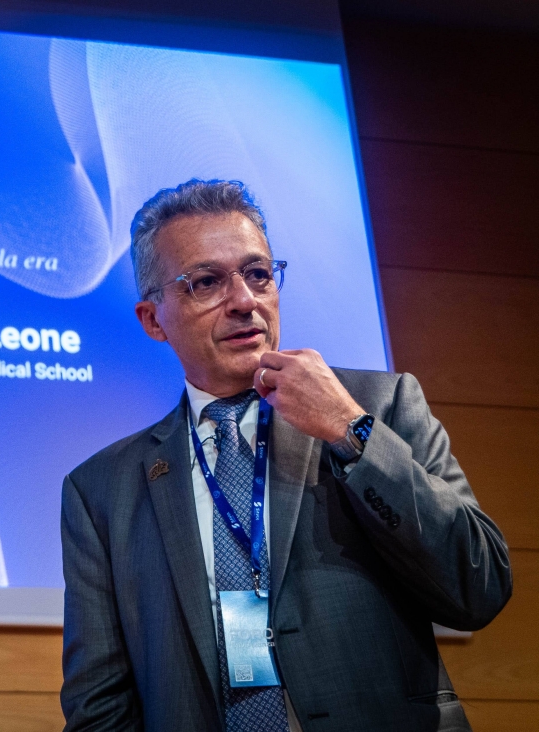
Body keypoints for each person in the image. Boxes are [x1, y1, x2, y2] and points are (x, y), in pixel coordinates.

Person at [59, 179, 512, 731]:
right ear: (153, 320)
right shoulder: (102, 489)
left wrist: (351, 431)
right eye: (205, 282)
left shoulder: (381, 405)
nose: (245, 301)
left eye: (257, 275)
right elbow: (100, 704)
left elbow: (478, 583)